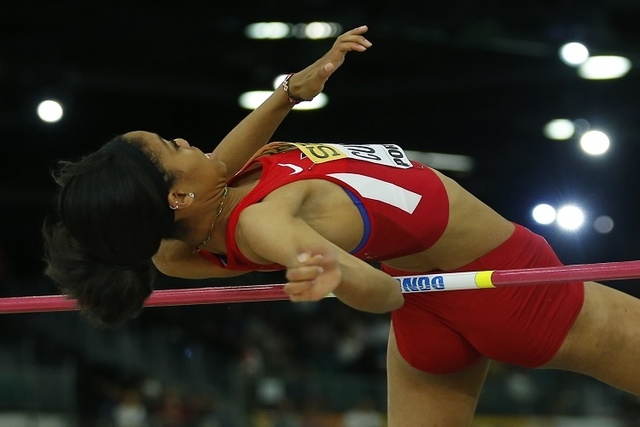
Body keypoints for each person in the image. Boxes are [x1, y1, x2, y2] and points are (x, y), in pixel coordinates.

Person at [42, 26, 640, 426]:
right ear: (176, 196)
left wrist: (289, 94)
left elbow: (222, 164)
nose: (181, 138)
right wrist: (333, 274)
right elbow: (383, 294)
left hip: (430, 318)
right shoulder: (265, 222)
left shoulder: (201, 210)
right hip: (506, 287)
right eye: (170, 147)